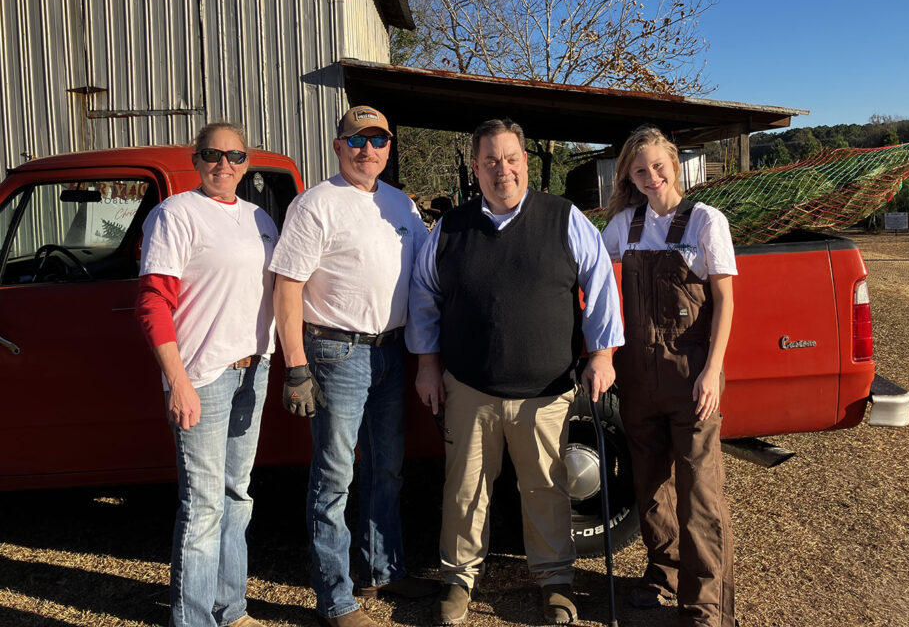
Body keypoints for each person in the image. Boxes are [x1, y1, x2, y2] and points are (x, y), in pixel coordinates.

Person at [407, 118, 624, 626]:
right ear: (476, 168)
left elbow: (601, 287)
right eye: (489, 161)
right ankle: (459, 580)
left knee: (547, 487)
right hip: (468, 387)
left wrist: (602, 355)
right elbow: (424, 297)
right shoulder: (450, 227)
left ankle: (555, 581)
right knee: (465, 489)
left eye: (510, 159)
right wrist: (427, 365)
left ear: (525, 162)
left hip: (545, 392)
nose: (501, 169)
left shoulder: (564, 218)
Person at [269, 106, 436, 627]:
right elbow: (288, 286)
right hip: (335, 352)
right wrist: (295, 364)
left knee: (386, 469)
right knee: (334, 476)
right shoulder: (315, 204)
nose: (369, 150)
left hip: (391, 352)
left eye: (379, 140)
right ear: (339, 145)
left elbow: (428, 269)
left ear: (389, 146)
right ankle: (337, 599)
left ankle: (385, 571)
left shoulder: (401, 204)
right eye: (358, 140)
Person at [136, 122, 278, 627]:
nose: (224, 165)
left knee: (237, 496)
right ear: (196, 160)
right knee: (202, 506)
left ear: (247, 161)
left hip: (251, 371)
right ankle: (192, 619)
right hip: (203, 375)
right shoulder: (175, 215)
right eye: (213, 155)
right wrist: (177, 381)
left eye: (235, 155)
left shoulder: (260, 218)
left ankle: (231, 609)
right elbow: (153, 302)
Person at [600, 125, 738, 627]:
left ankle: (706, 606)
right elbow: (591, 267)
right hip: (638, 376)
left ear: (675, 166)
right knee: (650, 485)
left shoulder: (705, 221)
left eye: (658, 166)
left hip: (691, 374)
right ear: (630, 178)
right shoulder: (625, 225)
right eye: (640, 171)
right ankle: (663, 576)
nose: (651, 176)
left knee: (699, 490)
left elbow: (724, 300)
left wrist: (712, 371)